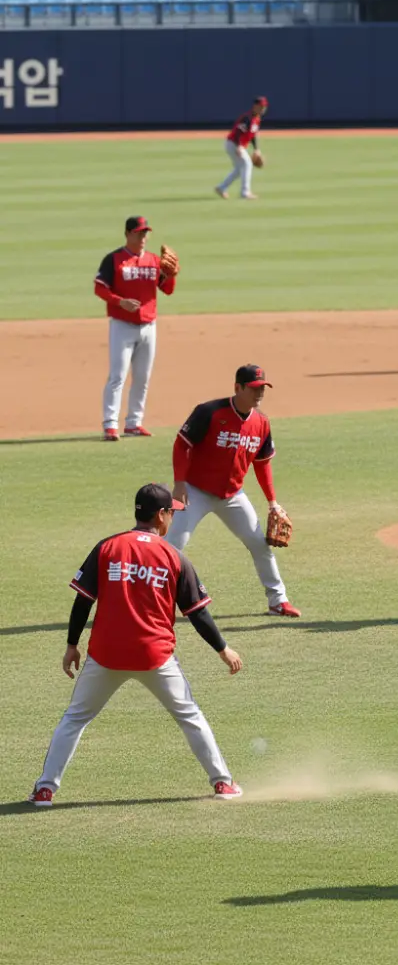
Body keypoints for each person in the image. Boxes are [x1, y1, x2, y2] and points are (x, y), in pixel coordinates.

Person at [28, 484, 243, 807]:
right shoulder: (174, 556)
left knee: (74, 719)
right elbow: (198, 614)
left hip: (106, 655)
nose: (172, 517)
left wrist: (72, 644)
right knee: (189, 716)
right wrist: (223, 649)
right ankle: (223, 783)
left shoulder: (107, 548)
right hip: (155, 658)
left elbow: (82, 601)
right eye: (170, 512)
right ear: (160, 516)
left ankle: (45, 789)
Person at [167, 364, 301, 617]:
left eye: (262, 388)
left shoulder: (261, 423)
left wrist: (272, 502)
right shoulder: (209, 412)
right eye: (253, 389)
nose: (259, 393)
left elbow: (262, 465)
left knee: (259, 545)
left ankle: (277, 601)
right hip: (195, 491)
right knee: (172, 546)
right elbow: (181, 445)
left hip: (233, 496)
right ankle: (149, 600)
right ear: (237, 387)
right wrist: (180, 483)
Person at [94, 215, 178, 441]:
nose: (143, 237)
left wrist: (171, 274)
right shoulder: (114, 260)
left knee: (142, 377)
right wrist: (120, 301)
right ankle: (110, 424)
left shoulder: (153, 260)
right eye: (139, 232)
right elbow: (100, 289)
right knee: (117, 376)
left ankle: (134, 422)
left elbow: (167, 289)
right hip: (122, 326)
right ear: (128, 234)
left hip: (149, 326)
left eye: (145, 233)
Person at [215, 96, 267, 200]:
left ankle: (222, 187)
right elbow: (239, 131)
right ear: (255, 106)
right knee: (247, 164)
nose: (263, 109)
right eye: (261, 106)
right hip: (233, 144)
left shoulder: (256, 119)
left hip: (235, 145)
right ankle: (245, 192)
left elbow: (253, 134)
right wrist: (239, 146)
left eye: (264, 107)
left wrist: (256, 149)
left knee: (240, 169)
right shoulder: (247, 117)